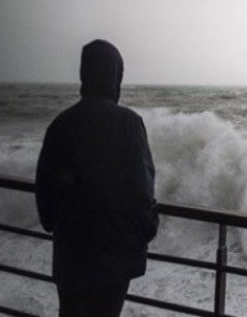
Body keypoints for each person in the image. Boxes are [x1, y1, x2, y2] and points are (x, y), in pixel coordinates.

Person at [35, 40, 159, 317]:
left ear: (84, 75)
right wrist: (148, 227)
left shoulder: (61, 123)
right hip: (112, 258)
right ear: (115, 76)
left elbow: (45, 191)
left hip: (70, 253)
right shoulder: (128, 123)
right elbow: (141, 187)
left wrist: (55, 222)